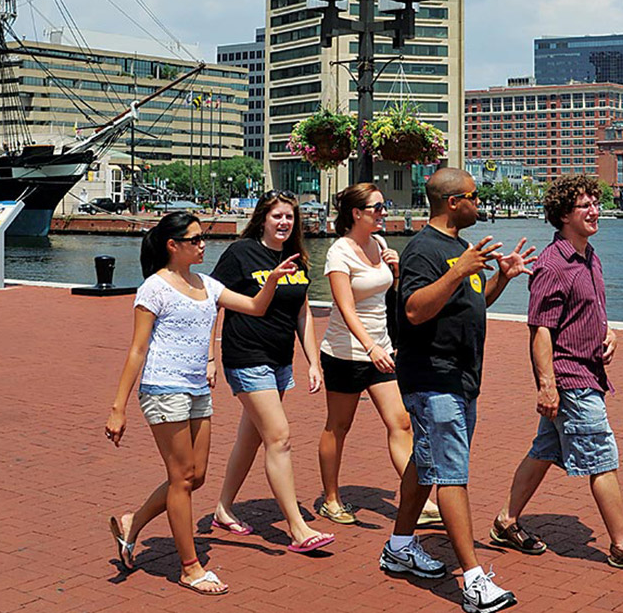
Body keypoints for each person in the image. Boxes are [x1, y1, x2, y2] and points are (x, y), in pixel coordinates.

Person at [104, 211, 300, 595]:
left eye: (202, 237)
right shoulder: (154, 289)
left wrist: (273, 281)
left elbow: (256, 308)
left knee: (196, 477)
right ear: (172, 246)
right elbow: (137, 350)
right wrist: (118, 406)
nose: (202, 244)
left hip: (197, 389)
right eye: (194, 240)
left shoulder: (207, 285)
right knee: (181, 479)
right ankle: (190, 567)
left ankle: (133, 522)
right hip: (163, 388)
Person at [490, 175, 623, 573]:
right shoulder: (553, 266)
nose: (595, 210)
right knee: (601, 457)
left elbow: (589, 313)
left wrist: (608, 333)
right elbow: (540, 331)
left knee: (544, 451)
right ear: (562, 216)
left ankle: (506, 521)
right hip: (571, 379)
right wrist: (547, 386)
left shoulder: (591, 256)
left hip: (590, 372)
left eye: (595, 201)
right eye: (584, 205)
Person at [381, 168, 534, 613]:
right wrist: (458, 271)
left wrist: (500, 278)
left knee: (426, 463)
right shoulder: (424, 250)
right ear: (453, 202)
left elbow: (469, 302)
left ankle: (399, 546)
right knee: (450, 472)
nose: (478, 201)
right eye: (473, 195)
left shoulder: (459, 249)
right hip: (433, 377)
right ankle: (472, 580)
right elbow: (413, 310)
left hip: (462, 377)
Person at [209, 190, 334, 553]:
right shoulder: (239, 254)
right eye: (277, 216)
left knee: (251, 437)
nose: (284, 223)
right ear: (262, 218)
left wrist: (313, 361)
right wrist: (210, 357)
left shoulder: (298, 259)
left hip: (279, 360)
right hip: (246, 356)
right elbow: (212, 301)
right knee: (279, 437)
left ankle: (223, 508)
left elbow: (302, 312)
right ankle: (298, 528)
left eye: (289, 217)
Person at [316, 183, 441, 526]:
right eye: (377, 208)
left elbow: (388, 299)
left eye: (383, 207)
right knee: (339, 426)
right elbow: (345, 308)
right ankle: (330, 498)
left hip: (381, 352)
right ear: (356, 213)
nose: (383, 213)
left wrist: (397, 271)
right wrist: (369, 347)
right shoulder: (339, 253)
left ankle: (418, 498)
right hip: (346, 352)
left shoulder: (381, 244)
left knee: (400, 422)